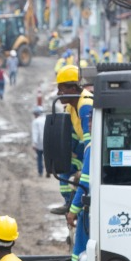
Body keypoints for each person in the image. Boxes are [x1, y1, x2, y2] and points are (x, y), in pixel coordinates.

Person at [55, 63, 91, 213]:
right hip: (84, 149)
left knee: (77, 174)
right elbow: (74, 134)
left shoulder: (86, 106)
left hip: (93, 151)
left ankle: (74, 205)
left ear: (73, 88)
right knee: (64, 166)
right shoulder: (71, 107)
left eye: (61, 88)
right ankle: (68, 202)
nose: (59, 92)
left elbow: (91, 145)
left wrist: (85, 170)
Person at [31, 105, 48, 177]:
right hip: (47, 142)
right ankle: (48, 171)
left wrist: (34, 143)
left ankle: (40, 172)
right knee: (47, 158)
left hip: (39, 143)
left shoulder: (35, 121)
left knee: (39, 158)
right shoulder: (46, 119)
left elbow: (35, 132)